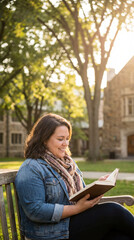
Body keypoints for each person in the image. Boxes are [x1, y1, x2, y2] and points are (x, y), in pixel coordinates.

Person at [15, 113, 134, 240]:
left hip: (72, 223)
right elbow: (36, 211)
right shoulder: (31, 168)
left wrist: (96, 186)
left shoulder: (67, 163)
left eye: (67, 138)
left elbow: (77, 194)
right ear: (43, 139)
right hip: (50, 232)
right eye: (60, 139)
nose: (65, 143)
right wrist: (76, 208)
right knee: (113, 211)